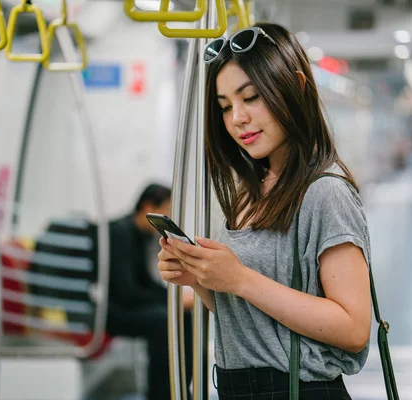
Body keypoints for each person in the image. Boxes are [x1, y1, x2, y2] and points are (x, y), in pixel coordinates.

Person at [157, 23, 372, 400]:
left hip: (298, 390)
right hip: (239, 388)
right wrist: (201, 279)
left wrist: (239, 278)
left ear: (298, 87)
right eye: (225, 106)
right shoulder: (250, 191)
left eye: (251, 97)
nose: (237, 118)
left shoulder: (325, 192)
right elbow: (250, 319)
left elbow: (354, 328)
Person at [106, 183, 194, 400]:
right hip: (111, 311)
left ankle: (181, 387)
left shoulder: (139, 235)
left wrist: (174, 298)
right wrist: (170, 301)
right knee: (161, 321)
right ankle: (161, 394)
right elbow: (127, 292)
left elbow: (143, 283)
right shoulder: (120, 233)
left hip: (126, 305)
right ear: (147, 207)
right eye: (166, 211)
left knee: (182, 315)